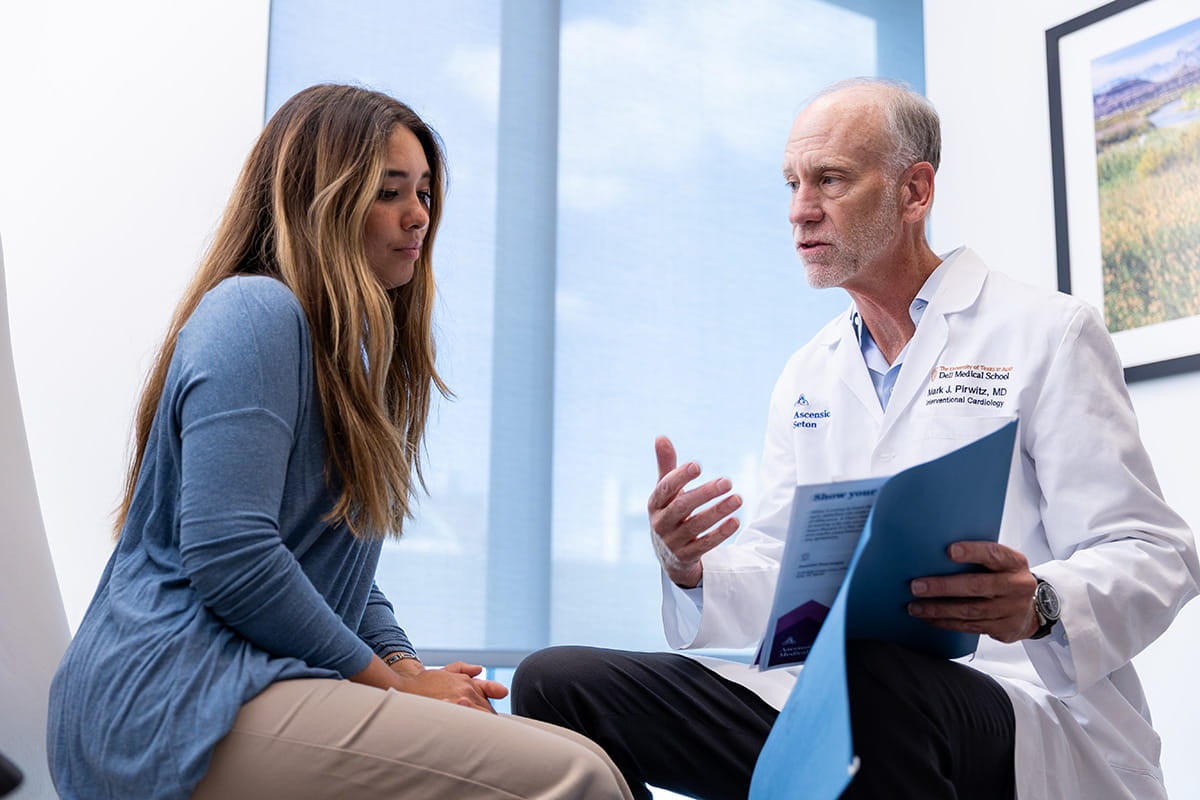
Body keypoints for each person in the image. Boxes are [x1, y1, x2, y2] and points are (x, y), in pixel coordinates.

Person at [511, 78, 1199, 799]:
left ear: (914, 192)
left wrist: (1039, 604)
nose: (799, 211)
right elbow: (784, 563)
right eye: (792, 183)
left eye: (830, 180)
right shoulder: (810, 371)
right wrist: (693, 569)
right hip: (835, 693)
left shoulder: (1047, 334)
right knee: (558, 685)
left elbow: (1155, 552)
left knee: (869, 674)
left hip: (1019, 701)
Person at [46, 83, 633, 800]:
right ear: (318, 198)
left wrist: (406, 667)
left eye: (423, 192)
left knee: (588, 760)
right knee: (571, 779)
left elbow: (333, 570)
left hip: (249, 677)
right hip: (165, 692)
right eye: (390, 192)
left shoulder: (336, 355)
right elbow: (232, 555)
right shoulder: (255, 312)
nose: (419, 215)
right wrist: (393, 688)